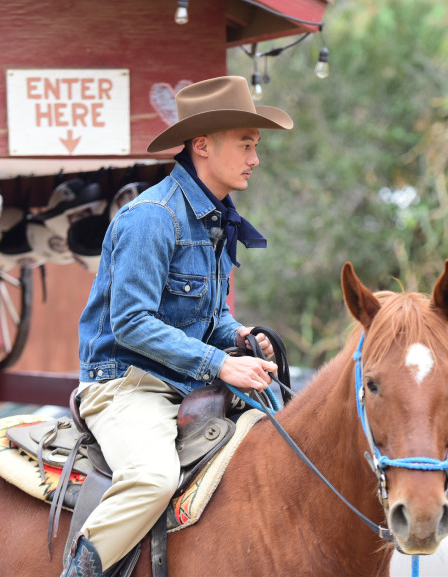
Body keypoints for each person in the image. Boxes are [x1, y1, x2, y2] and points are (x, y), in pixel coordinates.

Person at [62, 75, 293, 576]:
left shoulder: (213, 220)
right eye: (247, 145)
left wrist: (238, 337)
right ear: (203, 145)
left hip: (182, 384)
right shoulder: (151, 218)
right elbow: (131, 323)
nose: (255, 158)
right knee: (152, 478)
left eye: (256, 147)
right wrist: (221, 366)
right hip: (124, 386)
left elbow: (205, 317)